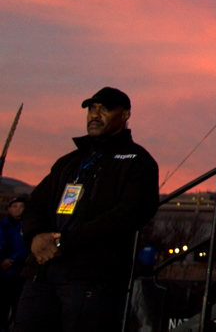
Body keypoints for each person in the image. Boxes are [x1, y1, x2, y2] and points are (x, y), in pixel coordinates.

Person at [12, 87, 160, 332]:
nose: (95, 114)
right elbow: (37, 202)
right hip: (42, 273)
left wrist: (66, 241)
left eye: (105, 109)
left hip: (93, 278)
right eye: (91, 108)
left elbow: (129, 215)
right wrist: (35, 237)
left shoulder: (138, 162)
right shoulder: (69, 162)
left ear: (124, 115)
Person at [0, 197, 29, 330]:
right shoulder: (2, 226)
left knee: (20, 308)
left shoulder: (27, 227)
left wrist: (13, 260)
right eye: (15, 206)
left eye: (21, 206)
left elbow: (28, 247)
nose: (18, 209)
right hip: (4, 273)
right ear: (9, 208)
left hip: (20, 273)